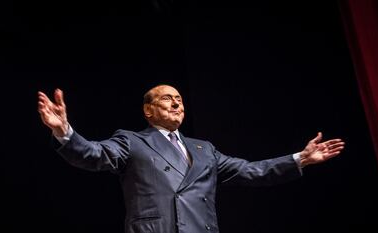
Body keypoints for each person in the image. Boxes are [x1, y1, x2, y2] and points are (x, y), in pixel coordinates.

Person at [37, 84, 345, 233]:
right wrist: (65, 131)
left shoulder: (204, 149)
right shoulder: (132, 140)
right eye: (167, 99)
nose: (175, 103)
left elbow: (252, 171)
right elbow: (93, 155)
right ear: (148, 110)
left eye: (180, 99)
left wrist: (299, 159)